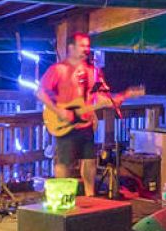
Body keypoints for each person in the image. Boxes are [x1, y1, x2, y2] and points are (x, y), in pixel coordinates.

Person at [38, 33, 111, 196]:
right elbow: (40, 92)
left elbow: (93, 95)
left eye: (87, 45)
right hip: (65, 123)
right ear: (71, 48)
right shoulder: (58, 69)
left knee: (90, 160)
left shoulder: (92, 71)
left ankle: (90, 195)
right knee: (64, 161)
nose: (86, 49)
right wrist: (59, 111)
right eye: (82, 45)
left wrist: (96, 109)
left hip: (85, 123)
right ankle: (62, 195)